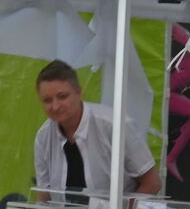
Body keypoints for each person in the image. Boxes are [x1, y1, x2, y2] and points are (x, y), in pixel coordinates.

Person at [33, 59, 161, 201]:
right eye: (47, 100)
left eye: (62, 97)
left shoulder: (115, 125)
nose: (55, 106)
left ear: (79, 93)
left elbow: (152, 183)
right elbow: (43, 194)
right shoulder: (43, 136)